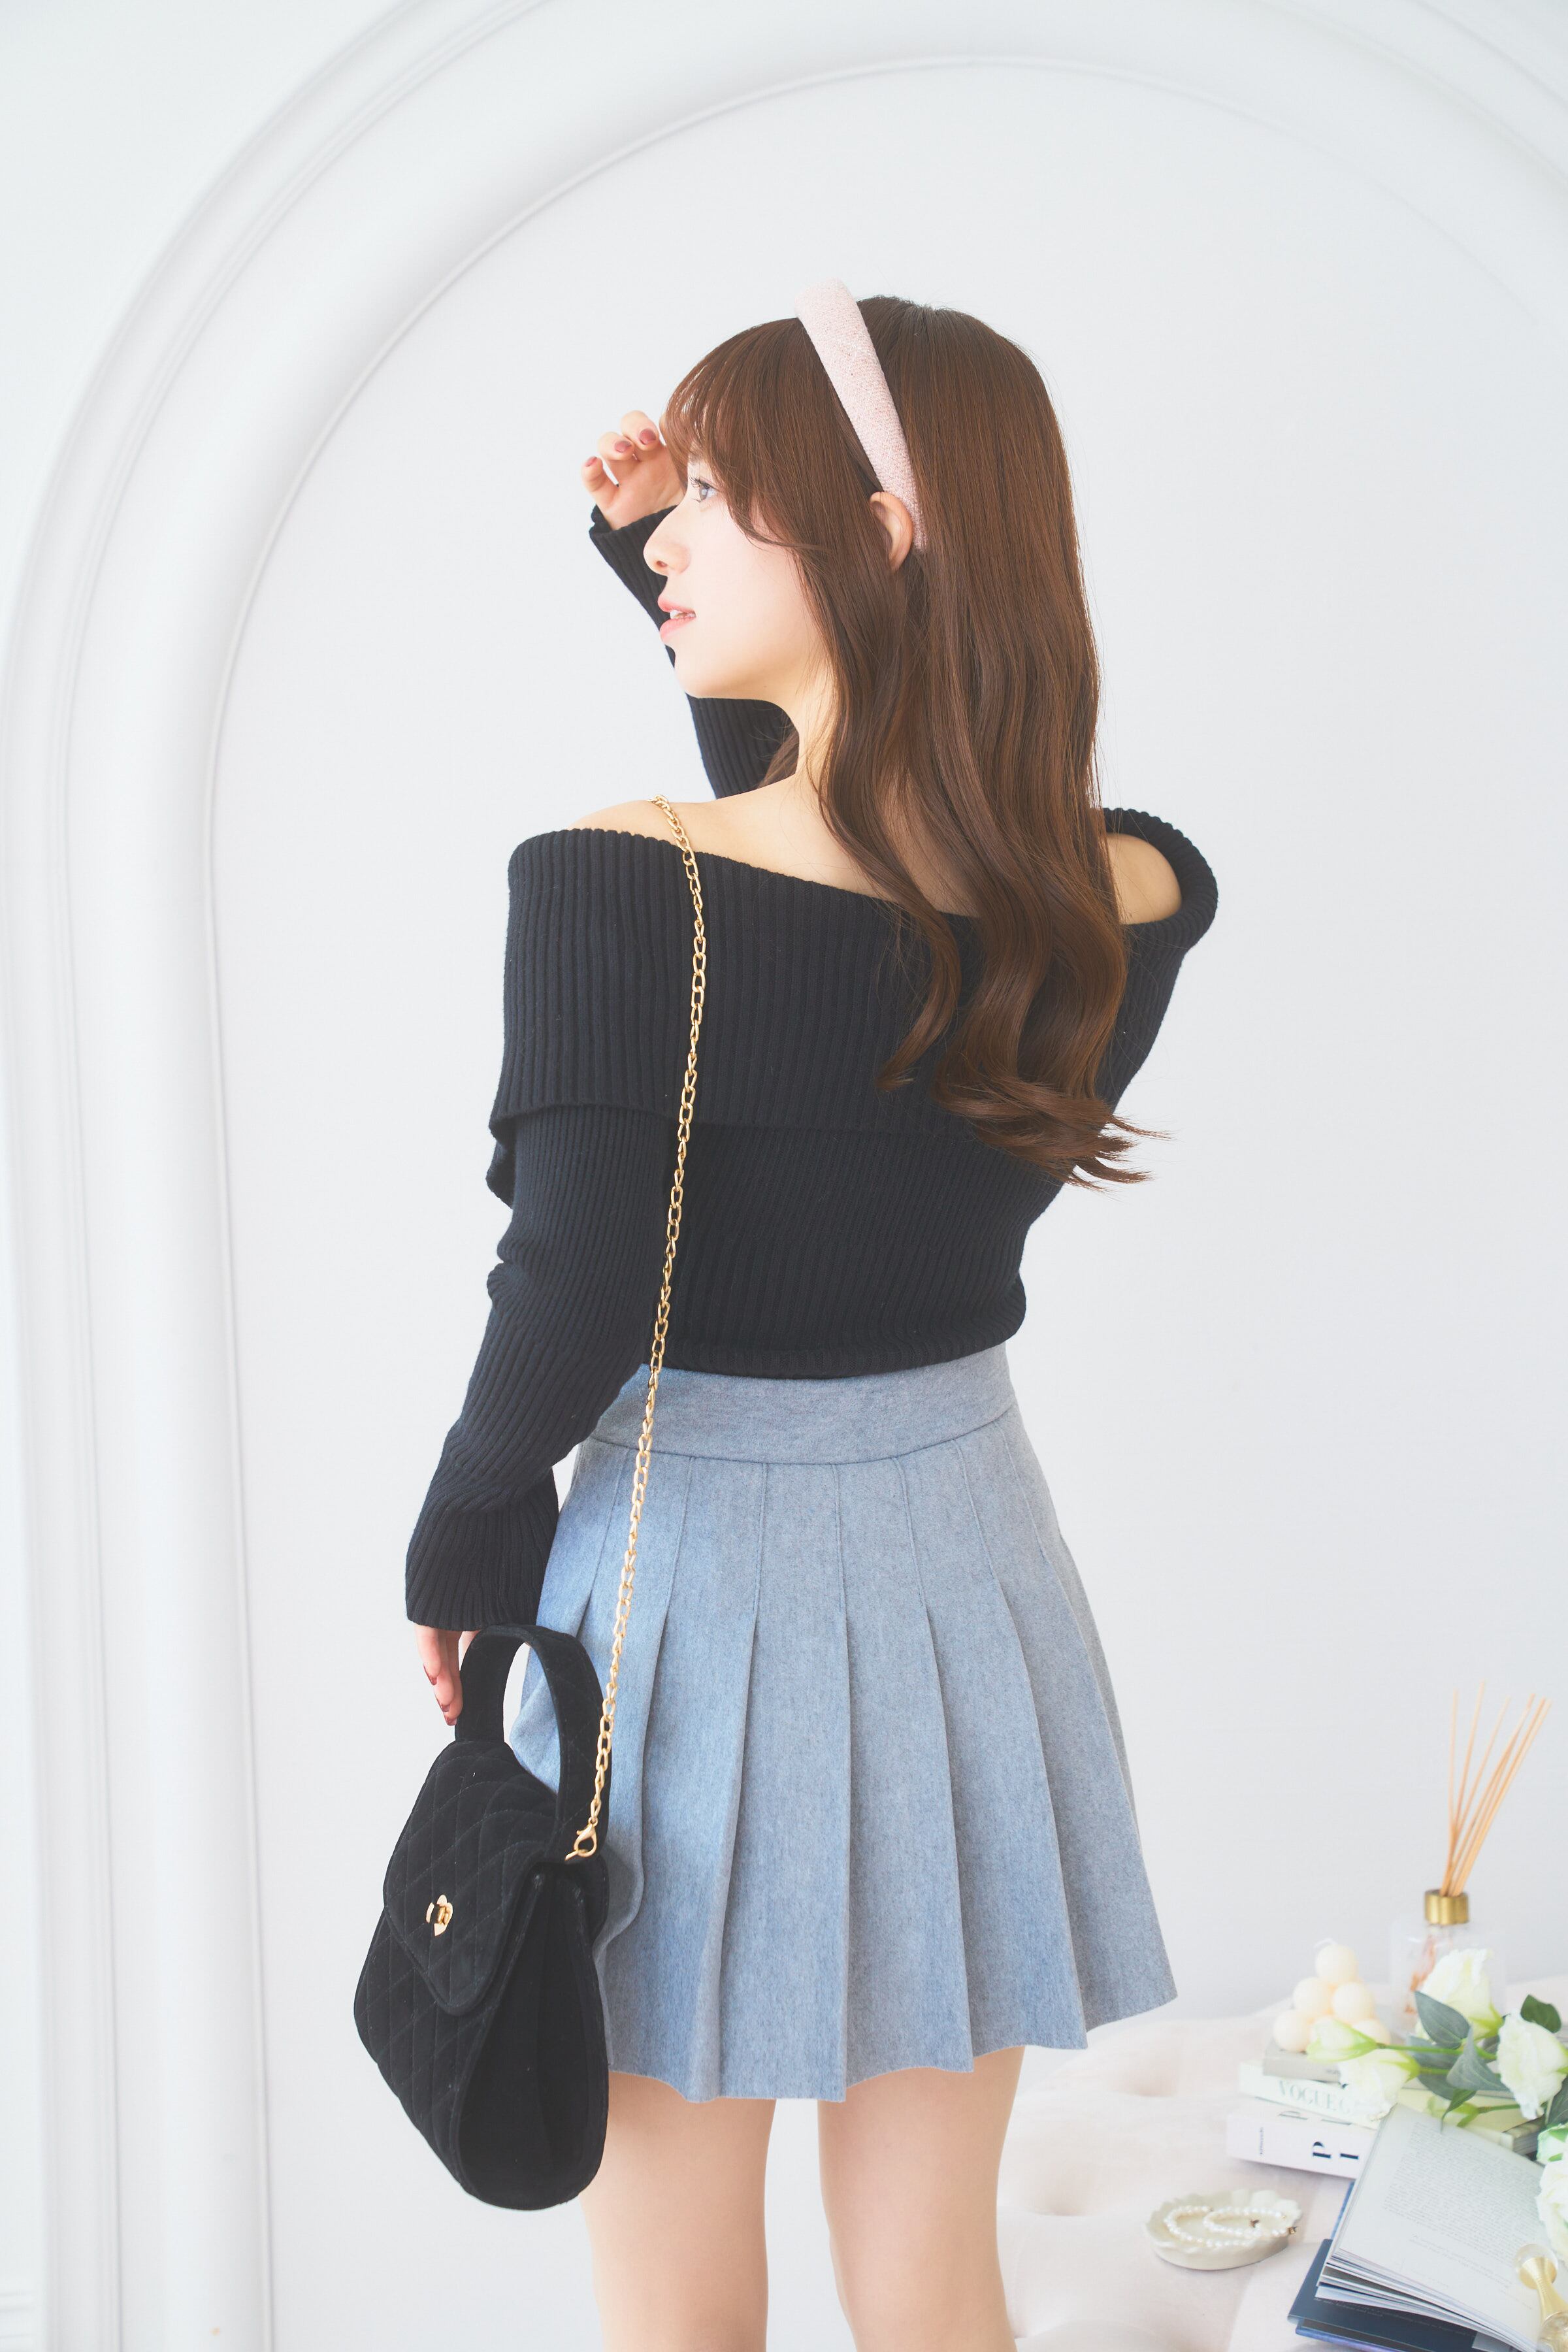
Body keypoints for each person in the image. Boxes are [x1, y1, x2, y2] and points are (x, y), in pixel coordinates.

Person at [404, 286, 1218, 2352]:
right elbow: (835, 964)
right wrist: (677, 589)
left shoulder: (618, 877)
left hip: (690, 1588)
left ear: (877, 534)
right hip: (969, 1583)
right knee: (934, 2282)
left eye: (717, 501)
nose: (669, 535)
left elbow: (580, 1275)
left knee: (675, 2299)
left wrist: (470, 1542)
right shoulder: (1126, 896)